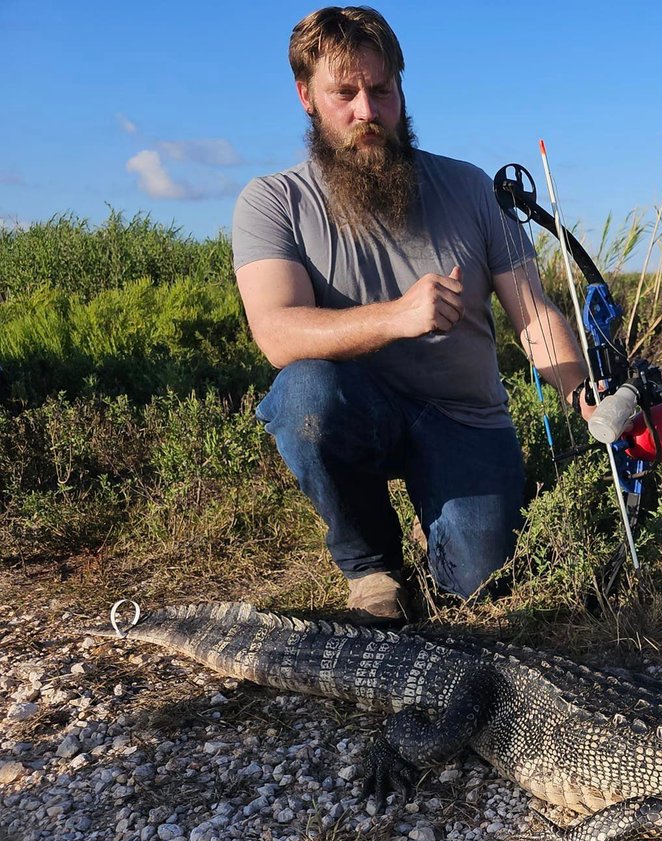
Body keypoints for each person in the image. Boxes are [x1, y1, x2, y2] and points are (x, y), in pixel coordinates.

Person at [232, 6, 592, 623]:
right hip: (356, 407)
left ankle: (445, 554)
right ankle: (371, 567)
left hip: (464, 417)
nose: (367, 113)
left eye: (380, 90)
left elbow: (534, 315)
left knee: (480, 582)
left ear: (401, 87)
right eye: (344, 93)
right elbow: (277, 332)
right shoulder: (273, 201)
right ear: (306, 98)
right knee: (303, 397)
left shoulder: (472, 189)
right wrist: (397, 317)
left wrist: (585, 393)